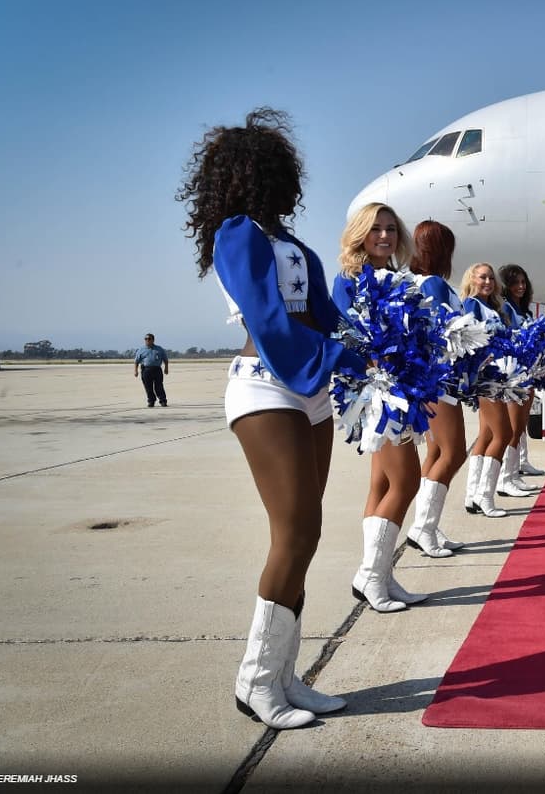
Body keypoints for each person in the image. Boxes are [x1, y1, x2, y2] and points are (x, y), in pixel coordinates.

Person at [177, 107, 365, 729]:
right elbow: (271, 320)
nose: (286, 180)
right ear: (250, 176)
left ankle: (287, 676)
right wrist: (337, 351)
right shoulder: (238, 234)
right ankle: (255, 683)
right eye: (275, 169)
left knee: (307, 534)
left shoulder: (291, 242)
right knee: (294, 531)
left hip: (313, 392)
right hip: (265, 386)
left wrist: (380, 346)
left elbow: (326, 315)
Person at [332, 203, 451, 601]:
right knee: (406, 481)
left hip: (403, 387)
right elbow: (342, 329)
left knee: (381, 483)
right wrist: (374, 360)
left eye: (390, 229)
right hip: (378, 392)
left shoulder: (402, 278)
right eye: (376, 229)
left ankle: (380, 576)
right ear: (361, 234)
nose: (384, 236)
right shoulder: (347, 278)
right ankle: (370, 574)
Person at [407, 220, 470, 555]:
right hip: (440, 379)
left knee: (436, 453)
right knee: (452, 452)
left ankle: (426, 526)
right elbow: (444, 331)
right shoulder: (434, 284)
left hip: (432, 379)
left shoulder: (420, 282)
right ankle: (423, 528)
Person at [460, 263, 514, 517]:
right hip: (486, 378)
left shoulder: (493, 308)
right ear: (472, 279)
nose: (488, 281)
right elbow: (469, 340)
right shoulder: (471, 304)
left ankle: (473, 495)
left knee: (486, 436)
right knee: (503, 434)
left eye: (491, 277)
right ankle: (484, 496)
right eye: (483, 277)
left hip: (498, 377)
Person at [498, 264, 545, 489]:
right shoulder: (506, 309)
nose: (520, 286)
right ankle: (507, 477)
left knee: (521, 424)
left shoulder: (524, 310)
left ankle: (518, 467)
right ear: (506, 286)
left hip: (528, 372)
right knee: (513, 428)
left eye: (523, 282)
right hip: (514, 375)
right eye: (515, 283)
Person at [134, 333, 169, 407]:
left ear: (153, 340)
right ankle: (151, 401)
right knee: (148, 387)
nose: (147, 340)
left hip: (157, 369)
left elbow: (165, 359)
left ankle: (163, 401)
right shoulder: (141, 350)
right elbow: (136, 361)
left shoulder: (159, 349)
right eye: (146, 339)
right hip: (146, 370)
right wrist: (135, 371)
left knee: (159, 386)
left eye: (149, 339)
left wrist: (166, 368)